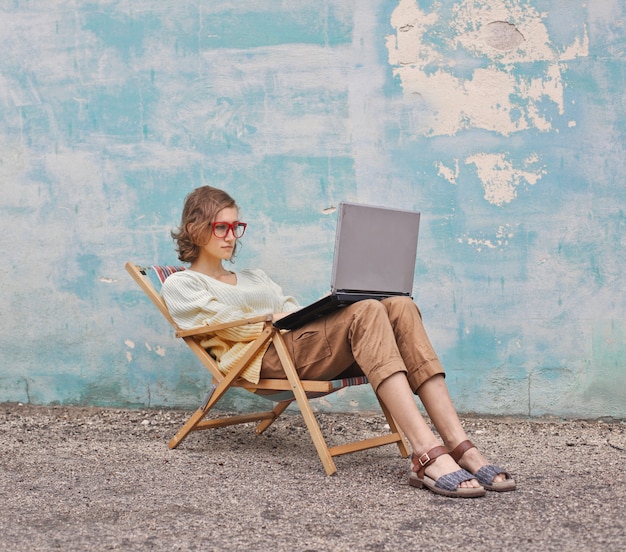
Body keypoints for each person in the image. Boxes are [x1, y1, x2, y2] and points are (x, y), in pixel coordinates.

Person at [161, 186, 516, 498]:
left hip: (297, 345)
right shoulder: (182, 285)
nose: (230, 236)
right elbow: (234, 328)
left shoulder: (255, 277)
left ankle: (458, 443)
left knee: (399, 305)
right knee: (365, 312)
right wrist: (279, 321)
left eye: (236, 227)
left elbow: (289, 312)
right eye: (220, 227)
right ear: (195, 228)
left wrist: (325, 310)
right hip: (267, 358)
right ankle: (424, 450)